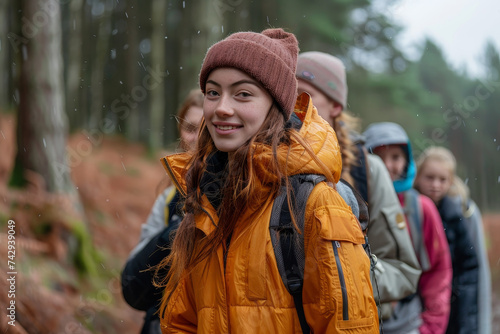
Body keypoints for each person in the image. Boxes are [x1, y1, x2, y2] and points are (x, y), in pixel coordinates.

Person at [156, 28, 379, 333]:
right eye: (213, 92)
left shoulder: (316, 205)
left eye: (243, 94)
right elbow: (180, 322)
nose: (221, 107)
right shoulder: (203, 200)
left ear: (275, 105)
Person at [295, 52, 421, 321]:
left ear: (336, 106)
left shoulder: (367, 169)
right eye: (286, 94)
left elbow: (403, 271)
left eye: (305, 95)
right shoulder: (257, 162)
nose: (291, 106)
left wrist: (341, 276)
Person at [121, 89, 204, 334]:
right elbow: (133, 287)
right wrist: (178, 231)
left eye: (206, 129)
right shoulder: (169, 197)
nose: (197, 138)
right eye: (190, 128)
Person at [363, 122, 453, 334]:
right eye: (377, 157)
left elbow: (438, 273)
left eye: (395, 157)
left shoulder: (421, 208)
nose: (386, 166)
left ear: (407, 161)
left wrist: (430, 328)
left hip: (410, 325)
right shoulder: (348, 204)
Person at [414, 146, 488, 334]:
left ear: (451, 181)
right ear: (418, 176)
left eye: (442, 179)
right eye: (429, 177)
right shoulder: (410, 210)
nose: (436, 185)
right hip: (418, 302)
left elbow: (469, 268)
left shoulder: (460, 214)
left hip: (451, 302)